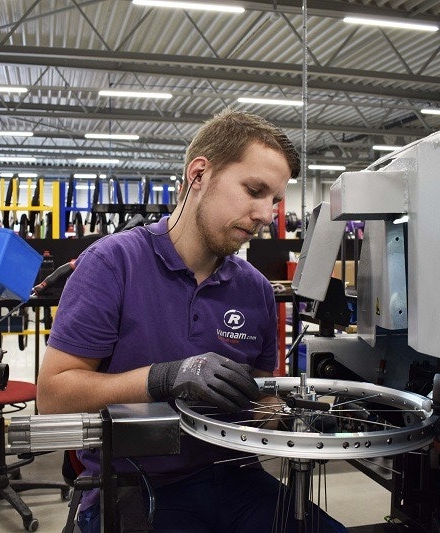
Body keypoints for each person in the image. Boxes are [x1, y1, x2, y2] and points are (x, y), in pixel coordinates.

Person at [37, 109, 345, 532]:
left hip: (236, 476)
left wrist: (291, 416)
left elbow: (258, 399)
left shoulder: (254, 288)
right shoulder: (114, 263)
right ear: (199, 174)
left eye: (273, 200)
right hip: (138, 484)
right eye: (253, 190)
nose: (264, 215)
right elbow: (52, 396)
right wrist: (165, 378)